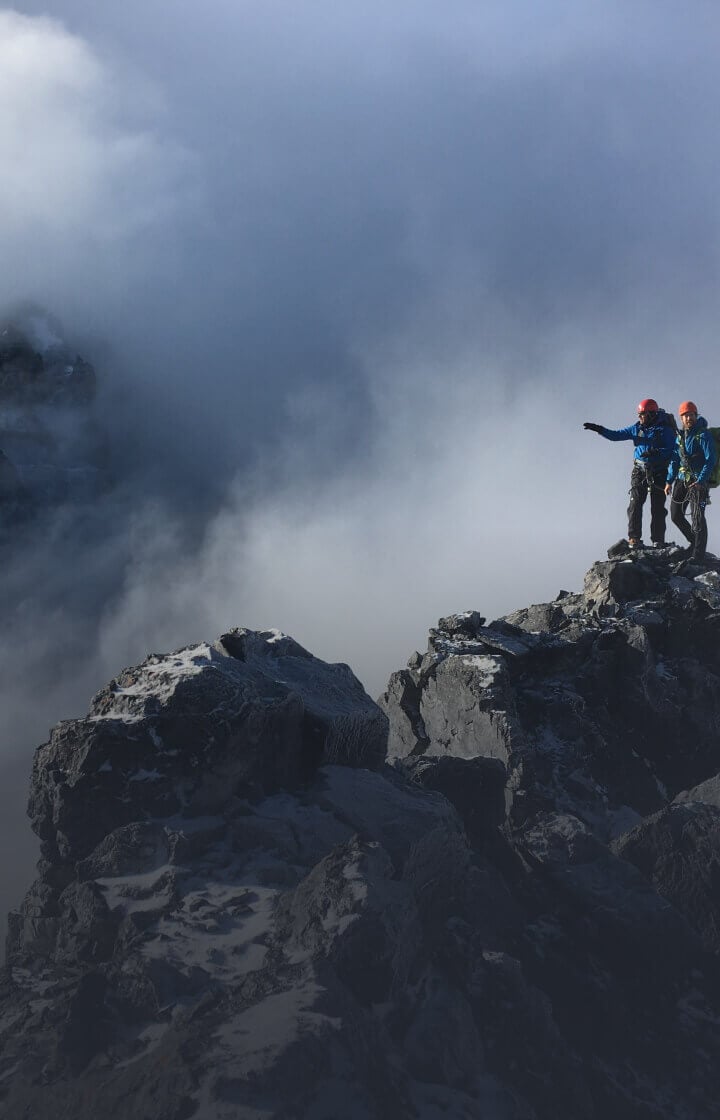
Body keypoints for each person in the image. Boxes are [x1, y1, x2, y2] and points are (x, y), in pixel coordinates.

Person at [583, 399, 677, 548]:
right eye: (639, 414)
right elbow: (616, 435)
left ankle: (658, 540)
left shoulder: (664, 429)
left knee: (657, 507)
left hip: (659, 471)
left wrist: (656, 451)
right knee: (635, 504)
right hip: (639, 471)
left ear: (652, 414)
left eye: (642, 414)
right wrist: (599, 429)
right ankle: (634, 538)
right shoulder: (636, 428)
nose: (640, 417)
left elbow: (672, 449)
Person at [664, 401, 717, 562]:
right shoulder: (680, 437)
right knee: (675, 515)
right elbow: (675, 460)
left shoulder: (703, 435)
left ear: (696, 415)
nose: (688, 418)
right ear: (681, 418)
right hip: (682, 480)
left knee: (698, 517)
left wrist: (701, 480)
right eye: (685, 415)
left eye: (691, 415)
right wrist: (669, 481)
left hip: (699, 482)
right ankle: (694, 542)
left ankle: (698, 554)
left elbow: (711, 459)